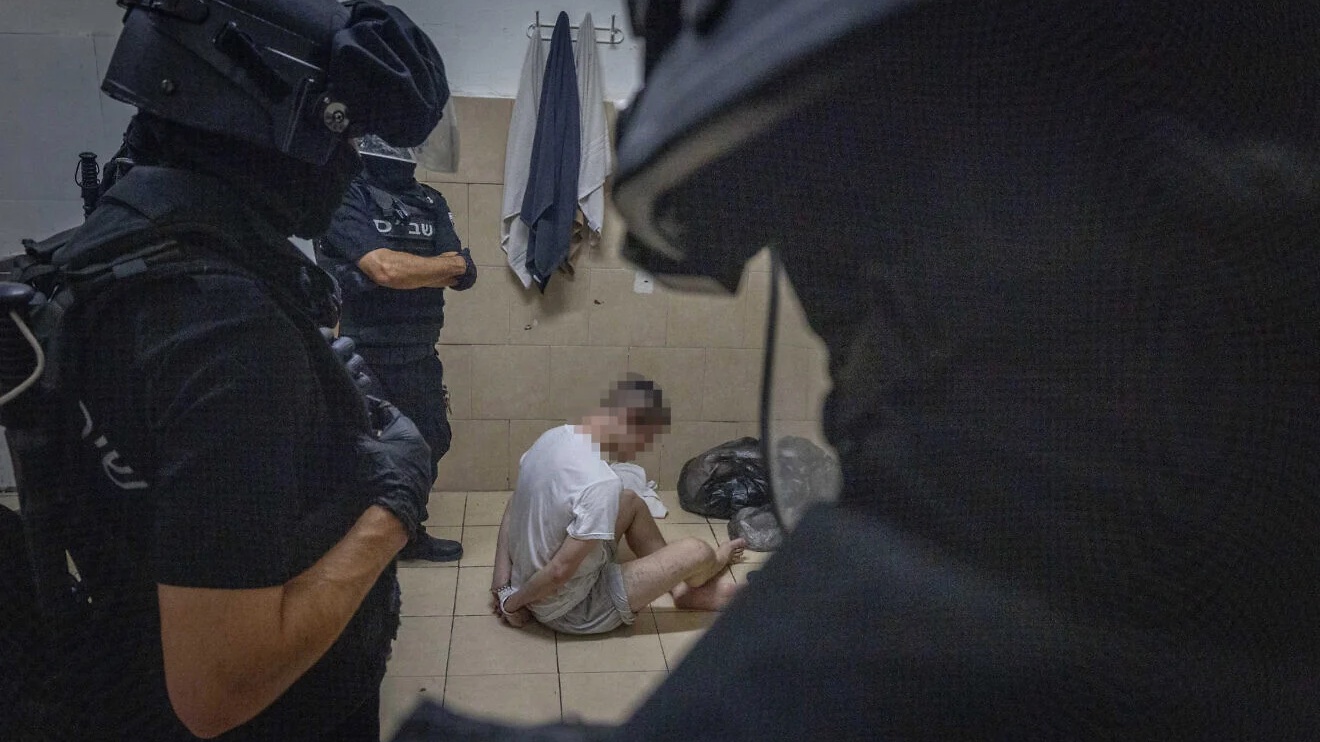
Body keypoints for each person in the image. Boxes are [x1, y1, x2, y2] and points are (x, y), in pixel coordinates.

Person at [388, 0, 1320, 740]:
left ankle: (710, 574)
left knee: (648, 520)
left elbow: (539, 547)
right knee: (660, 529)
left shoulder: (566, 450)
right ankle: (711, 571)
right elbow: (557, 561)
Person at [8, 0, 450, 739]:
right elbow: (219, 686)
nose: (346, 164)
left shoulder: (108, 252)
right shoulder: (221, 322)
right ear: (267, 107)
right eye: (341, 130)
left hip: (125, 672)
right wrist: (393, 502)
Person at [315, 135, 478, 563]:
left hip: (419, 349)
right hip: (361, 351)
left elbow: (462, 268)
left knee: (430, 442)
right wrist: (439, 268)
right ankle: (358, 545)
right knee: (363, 451)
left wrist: (435, 268)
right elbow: (385, 268)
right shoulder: (346, 193)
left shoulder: (429, 199)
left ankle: (406, 533)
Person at [490, 377, 744, 635]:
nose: (641, 448)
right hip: (571, 609)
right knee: (697, 550)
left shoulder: (552, 438)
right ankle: (709, 567)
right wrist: (511, 604)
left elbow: (514, 505)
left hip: (528, 582)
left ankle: (679, 589)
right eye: (645, 438)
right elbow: (559, 572)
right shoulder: (599, 483)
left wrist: (501, 586)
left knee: (630, 500)